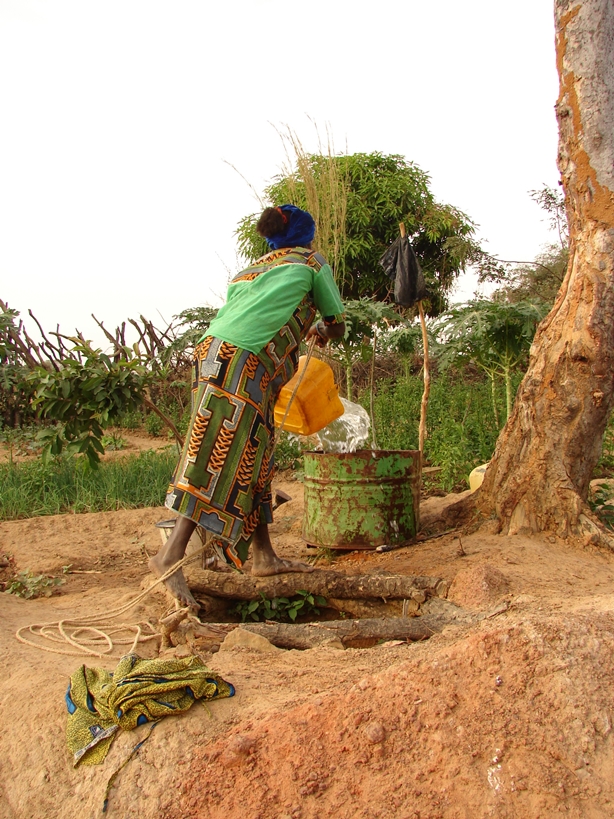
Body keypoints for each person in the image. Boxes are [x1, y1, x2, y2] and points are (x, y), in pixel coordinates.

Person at [150, 204, 345, 608]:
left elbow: (258, 314)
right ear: (306, 236)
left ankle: (263, 555)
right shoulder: (312, 262)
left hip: (212, 354)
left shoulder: (248, 271)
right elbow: (336, 321)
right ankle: (170, 555)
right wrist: (323, 330)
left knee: (255, 453)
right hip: (245, 361)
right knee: (217, 455)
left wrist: (303, 326)